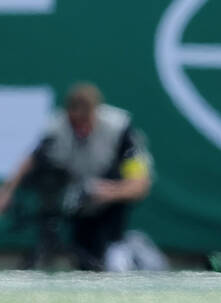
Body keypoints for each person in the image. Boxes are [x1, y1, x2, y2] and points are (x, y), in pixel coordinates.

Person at [0, 83, 153, 270]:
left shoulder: (120, 130)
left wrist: (110, 192)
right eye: (75, 123)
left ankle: (119, 252)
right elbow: (31, 159)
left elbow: (140, 183)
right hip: (76, 200)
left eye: (86, 121)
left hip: (110, 205)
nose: (81, 129)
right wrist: (7, 192)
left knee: (111, 254)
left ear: (96, 112)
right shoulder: (56, 129)